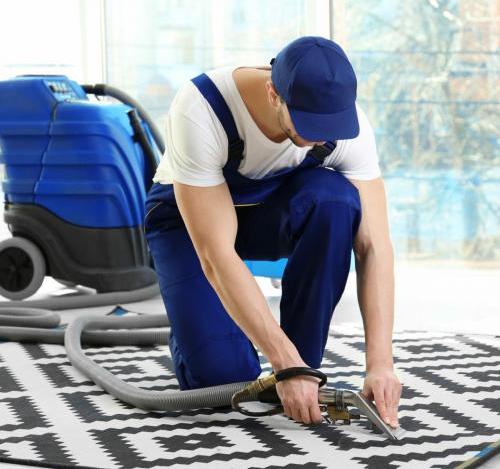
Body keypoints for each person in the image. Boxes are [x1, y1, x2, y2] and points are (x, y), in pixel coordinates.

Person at [144, 36, 401, 428]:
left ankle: (302, 362)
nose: (320, 136)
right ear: (273, 94)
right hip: (187, 224)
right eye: (310, 125)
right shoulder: (201, 108)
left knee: (336, 199)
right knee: (223, 379)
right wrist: (280, 363)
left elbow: (374, 247)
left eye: (330, 126)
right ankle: (199, 325)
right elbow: (216, 255)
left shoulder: (350, 127)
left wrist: (380, 363)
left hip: (268, 212)